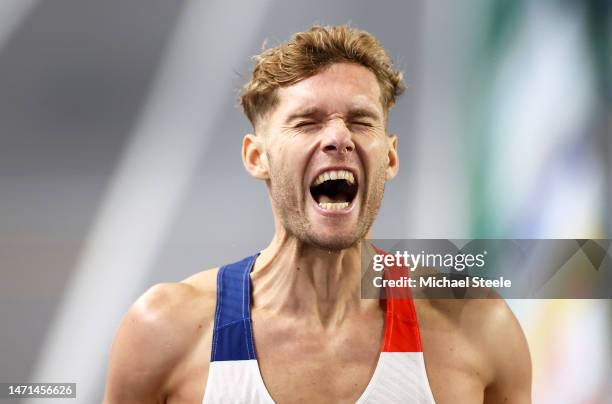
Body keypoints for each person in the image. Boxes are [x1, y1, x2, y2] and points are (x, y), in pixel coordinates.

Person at [103, 25, 532, 403]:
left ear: (390, 158)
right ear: (257, 157)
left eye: (362, 121)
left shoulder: (479, 329)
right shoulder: (164, 332)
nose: (339, 137)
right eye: (308, 122)